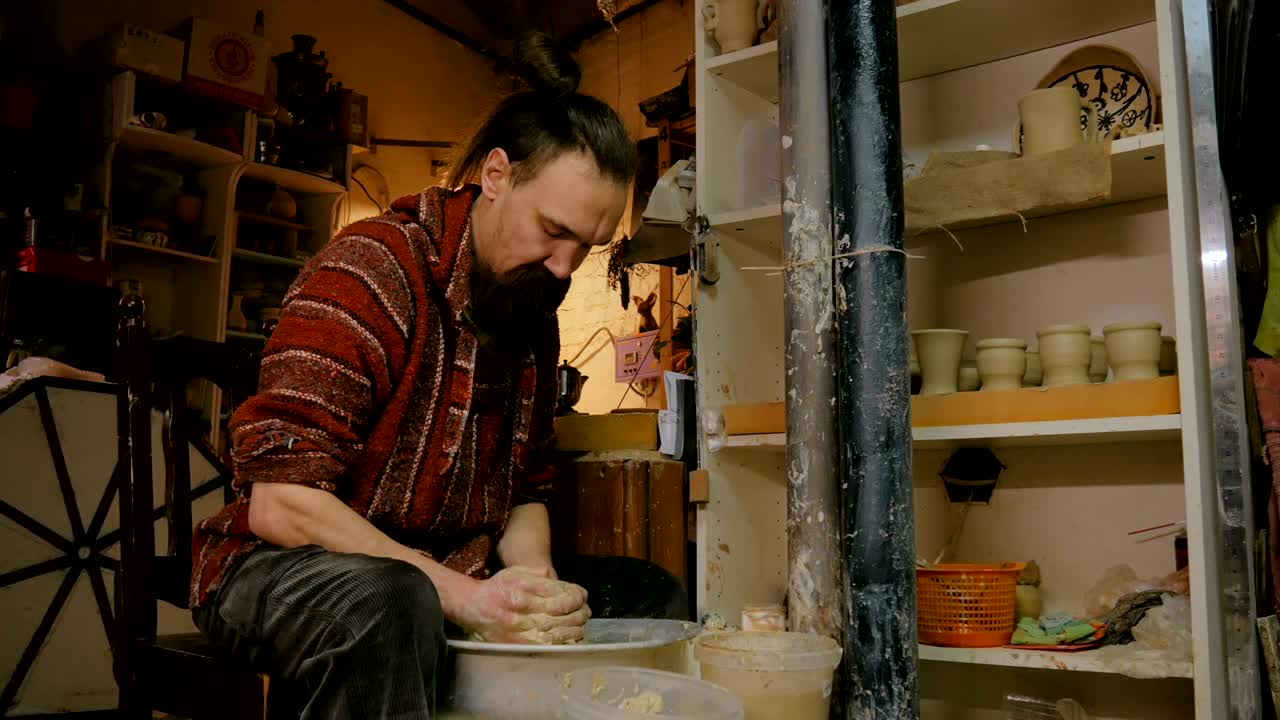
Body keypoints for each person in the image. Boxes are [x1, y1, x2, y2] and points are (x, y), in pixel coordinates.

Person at [189, 33, 679, 718]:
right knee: (392, 602)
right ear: (498, 176)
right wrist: (469, 600)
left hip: (443, 568)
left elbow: (529, 484)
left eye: (586, 247)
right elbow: (281, 504)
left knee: (646, 593)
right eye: (552, 230)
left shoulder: (533, 305)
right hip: (283, 566)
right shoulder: (371, 270)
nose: (565, 267)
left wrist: (533, 581)